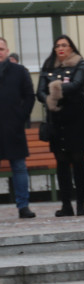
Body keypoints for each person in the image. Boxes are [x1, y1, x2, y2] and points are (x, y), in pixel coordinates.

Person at [37, 35, 84, 217]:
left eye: (64, 45)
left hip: (76, 118)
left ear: (71, 47)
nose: (60, 48)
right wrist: (49, 98)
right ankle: (66, 204)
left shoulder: (79, 63)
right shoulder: (48, 65)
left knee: (77, 160)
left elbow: (76, 85)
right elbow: (40, 92)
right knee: (61, 162)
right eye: (57, 45)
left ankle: (81, 204)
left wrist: (55, 91)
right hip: (56, 119)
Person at [0, 37, 36, 219]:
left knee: (19, 167)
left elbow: (29, 96)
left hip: (13, 126)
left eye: (1, 48)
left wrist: (21, 116)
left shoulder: (19, 71)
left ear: (7, 50)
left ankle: (23, 206)